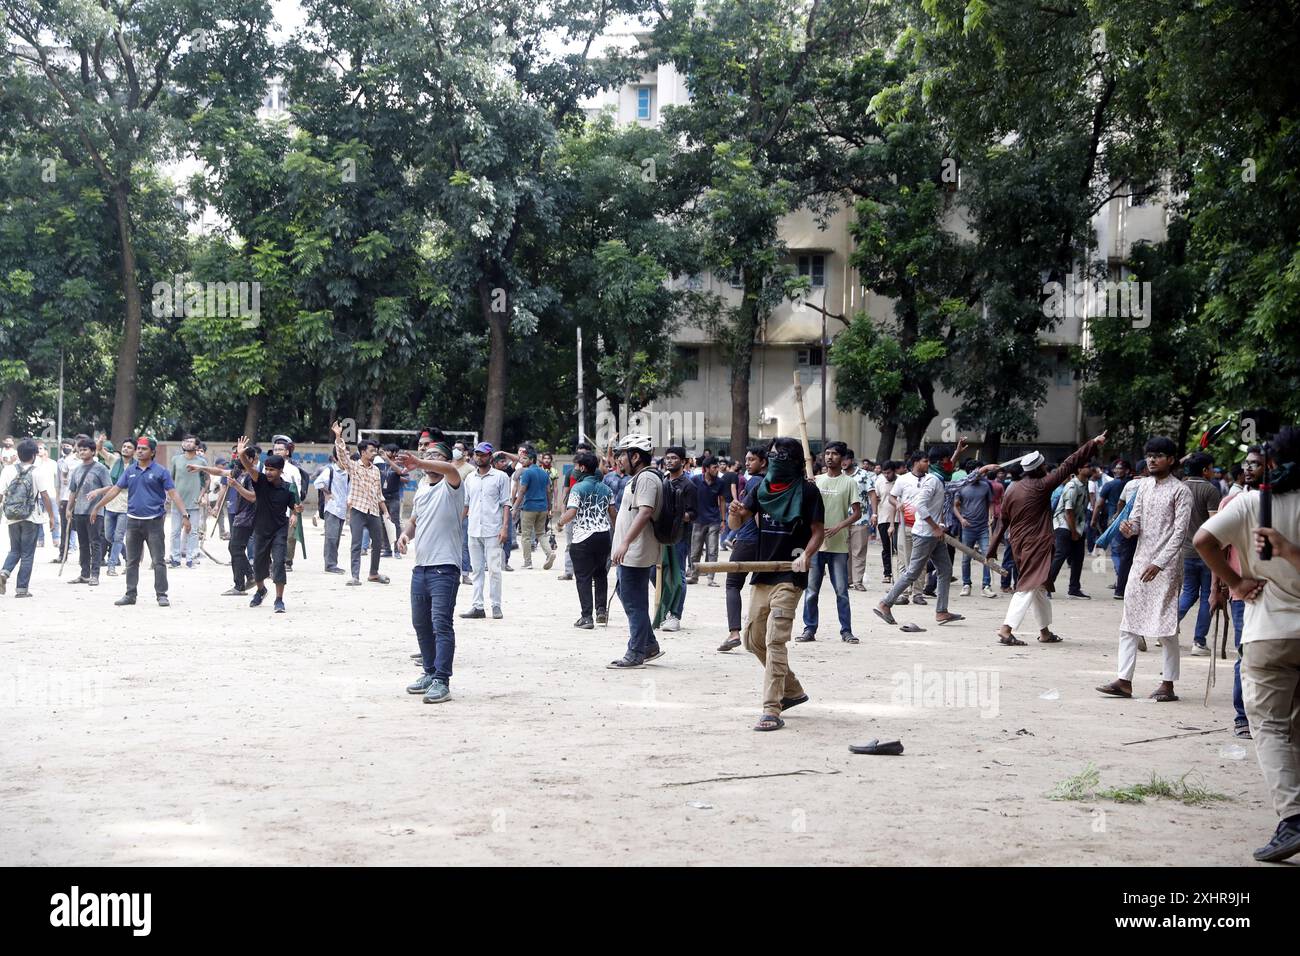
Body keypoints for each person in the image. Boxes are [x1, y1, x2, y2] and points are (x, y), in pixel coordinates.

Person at [1195, 427, 1300, 863]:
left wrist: (1236, 582)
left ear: (1271, 463)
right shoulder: (1251, 503)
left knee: (1273, 728)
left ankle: (1293, 819)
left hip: (1268, 632)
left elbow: (1203, 540)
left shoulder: (1250, 504)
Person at [726, 437, 824, 731]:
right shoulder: (760, 487)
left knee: (774, 640)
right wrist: (734, 513)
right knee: (752, 640)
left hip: (790, 575)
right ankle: (792, 691)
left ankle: (772, 709)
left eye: (780, 456)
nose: (774, 460)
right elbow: (738, 522)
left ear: (792, 461)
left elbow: (818, 532)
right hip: (763, 572)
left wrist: (806, 555)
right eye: (772, 455)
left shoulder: (808, 491)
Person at [986, 433, 1108, 645]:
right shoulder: (1042, 485)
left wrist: (992, 548)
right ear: (1041, 468)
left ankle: (1045, 632)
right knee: (1027, 586)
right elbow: (1071, 463)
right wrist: (1093, 443)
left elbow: (1002, 522)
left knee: (1038, 587)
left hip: (1018, 543)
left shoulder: (1012, 488)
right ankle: (1006, 629)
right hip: (1037, 542)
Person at [1097, 436, 1193, 702]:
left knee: (1166, 627)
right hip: (1140, 563)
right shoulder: (1143, 487)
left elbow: (1180, 534)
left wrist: (1159, 563)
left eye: (1158, 455)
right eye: (1149, 455)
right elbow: (1136, 522)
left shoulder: (1181, 491)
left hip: (1167, 567)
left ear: (1171, 460)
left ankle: (1168, 684)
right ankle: (1124, 681)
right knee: (1129, 623)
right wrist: (1129, 528)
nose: (1152, 460)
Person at [876, 440, 1000, 629]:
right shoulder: (932, 481)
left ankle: (941, 611)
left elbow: (955, 480)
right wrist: (935, 527)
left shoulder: (937, 478)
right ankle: (886, 603)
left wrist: (979, 469)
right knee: (913, 572)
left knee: (945, 570)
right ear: (933, 463)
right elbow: (921, 507)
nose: (926, 464)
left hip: (934, 534)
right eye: (925, 461)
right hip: (925, 534)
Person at [395, 438, 465, 704]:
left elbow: (450, 470)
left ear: (446, 460)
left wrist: (420, 461)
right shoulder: (423, 487)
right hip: (421, 567)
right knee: (421, 624)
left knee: (441, 625)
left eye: (435, 455)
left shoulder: (452, 484)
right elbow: (414, 521)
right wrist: (405, 536)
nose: (428, 458)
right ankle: (429, 672)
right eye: (427, 454)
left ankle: (442, 681)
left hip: (444, 567)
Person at [90, 436, 192, 607]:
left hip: (154, 522)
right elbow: (115, 490)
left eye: (143, 449)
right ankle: (130, 594)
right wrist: (97, 506)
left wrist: (185, 515)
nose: (139, 451)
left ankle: (161, 595)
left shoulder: (161, 471)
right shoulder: (129, 471)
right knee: (132, 561)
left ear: (152, 452)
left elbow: (173, 493)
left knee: (158, 560)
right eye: (138, 448)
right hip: (133, 522)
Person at [1207, 446, 1265, 737]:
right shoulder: (1233, 502)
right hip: (1241, 592)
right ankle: (1242, 716)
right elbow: (1215, 546)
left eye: (1256, 464)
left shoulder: (1282, 503)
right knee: (1246, 653)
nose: (1249, 468)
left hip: (1278, 594)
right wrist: (1216, 588)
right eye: (1247, 463)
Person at [608, 434, 665, 669]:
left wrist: (625, 543)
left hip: (636, 551)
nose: (618, 460)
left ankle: (635, 652)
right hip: (632, 550)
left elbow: (645, 512)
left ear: (635, 456)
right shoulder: (641, 477)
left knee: (634, 602)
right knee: (627, 594)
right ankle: (649, 644)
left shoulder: (647, 479)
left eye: (622, 455)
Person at [227, 437, 300, 612]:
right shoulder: (259, 482)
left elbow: (294, 506)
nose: (267, 472)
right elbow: (249, 467)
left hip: (279, 530)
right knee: (259, 564)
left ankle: (279, 599)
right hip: (260, 529)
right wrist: (241, 453)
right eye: (266, 469)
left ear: (280, 471)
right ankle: (261, 590)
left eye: (272, 470)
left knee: (278, 563)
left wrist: (296, 514)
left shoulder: (288, 488)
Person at [800, 441, 860, 643]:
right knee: (811, 591)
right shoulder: (815, 481)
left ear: (842, 458)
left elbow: (857, 513)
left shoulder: (850, 483)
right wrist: (807, 487)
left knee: (842, 592)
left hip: (839, 546)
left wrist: (839, 526)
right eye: (827, 453)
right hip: (815, 545)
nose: (829, 457)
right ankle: (809, 629)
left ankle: (846, 631)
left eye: (834, 454)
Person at [556, 451, 614, 629]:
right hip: (604, 535)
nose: (574, 470)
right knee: (601, 575)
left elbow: (572, 512)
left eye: (576, 467)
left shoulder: (578, 488)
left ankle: (586, 617)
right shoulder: (606, 489)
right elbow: (613, 514)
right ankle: (601, 611)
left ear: (582, 467)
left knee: (583, 577)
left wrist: (559, 522)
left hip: (583, 537)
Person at [720, 445, 768, 652]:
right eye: (746, 459)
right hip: (763, 544)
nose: (748, 463)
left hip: (748, 540)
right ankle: (758, 635)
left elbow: (749, 517)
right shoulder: (767, 482)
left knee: (732, 584)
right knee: (761, 588)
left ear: (763, 462)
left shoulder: (754, 483)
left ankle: (734, 633)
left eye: (753, 460)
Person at [1177, 451, 1224, 656]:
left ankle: (1166, 628)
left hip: (1184, 551)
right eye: (1211, 468)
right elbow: (1215, 524)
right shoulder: (1210, 490)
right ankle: (1199, 642)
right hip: (1206, 553)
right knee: (1207, 596)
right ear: (1205, 470)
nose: (1213, 472)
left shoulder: (1180, 488)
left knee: (1187, 593)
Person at [332, 421, 390, 586]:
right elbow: (343, 456)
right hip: (358, 509)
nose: (374, 453)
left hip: (373, 511)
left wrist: (385, 511)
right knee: (356, 543)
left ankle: (373, 573)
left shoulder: (376, 470)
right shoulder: (354, 466)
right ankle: (355, 576)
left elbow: (379, 494)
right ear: (363, 452)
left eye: (375, 451)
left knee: (378, 543)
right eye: (372, 451)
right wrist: (338, 436)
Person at [0, 437, 57, 597]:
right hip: (31, 517)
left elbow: (1, 494)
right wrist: (51, 517)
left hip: (11, 516)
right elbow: (45, 496)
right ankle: (22, 589)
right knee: (27, 554)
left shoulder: (7, 470)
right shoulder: (38, 471)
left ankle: (4, 572)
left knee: (14, 549)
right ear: (34, 455)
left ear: (17, 454)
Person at [461, 441, 511, 620]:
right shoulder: (469, 478)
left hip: (494, 530)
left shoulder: (501, 477)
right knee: (476, 570)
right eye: (477, 454)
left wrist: (505, 528)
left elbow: (506, 503)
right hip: (473, 529)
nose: (479, 457)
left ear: (490, 456)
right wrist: (458, 524)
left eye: (483, 454)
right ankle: (477, 606)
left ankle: (496, 605)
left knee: (495, 570)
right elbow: (466, 504)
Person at [65, 436, 112, 586]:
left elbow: (110, 487)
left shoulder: (101, 468)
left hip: (95, 512)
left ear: (93, 451)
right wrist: (68, 508)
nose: (82, 452)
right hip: (79, 512)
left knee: (95, 542)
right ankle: (84, 574)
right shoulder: (77, 469)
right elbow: (73, 491)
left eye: (85, 449)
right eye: (80, 450)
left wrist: (97, 491)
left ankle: (95, 575)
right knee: (82, 543)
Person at [1046, 461, 1092, 599]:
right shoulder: (1072, 486)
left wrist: (1078, 530)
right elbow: (1068, 511)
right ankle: (1046, 587)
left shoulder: (1085, 484)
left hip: (1077, 525)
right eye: (1087, 466)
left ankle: (1074, 589)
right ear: (1079, 469)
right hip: (1064, 524)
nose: (1090, 469)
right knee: (1061, 554)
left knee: (1078, 557)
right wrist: (1073, 532)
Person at [954, 460, 996, 598]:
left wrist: (991, 516)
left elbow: (990, 503)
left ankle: (986, 586)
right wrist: (961, 519)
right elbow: (955, 506)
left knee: (987, 556)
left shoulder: (986, 485)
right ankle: (966, 584)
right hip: (968, 527)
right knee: (966, 558)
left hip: (983, 527)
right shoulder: (962, 486)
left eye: (983, 471)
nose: (982, 473)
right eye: (980, 470)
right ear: (971, 472)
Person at [166, 435, 207, 568]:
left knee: (193, 531)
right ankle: (175, 558)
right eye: (186, 441)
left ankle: (191, 558)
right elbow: (170, 479)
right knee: (175, 531)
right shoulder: (175, 460)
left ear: (196, 446)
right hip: (177, 501)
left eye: (191, 442)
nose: (187, 443)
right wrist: (169, 494)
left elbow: (207, 480)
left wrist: (201, 495)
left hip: (194, 501)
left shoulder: (201, 462)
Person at [270, 436, 308, 571]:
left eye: (280, 449)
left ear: (287, 452)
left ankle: (287, 561)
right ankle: (272, 561)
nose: (277, 452)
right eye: (275, 449)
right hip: (271, 509)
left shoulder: (293, 470)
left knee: (290, 537)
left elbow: (296, 493)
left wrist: (294, 513)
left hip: (288, 509)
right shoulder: (267, 468)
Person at [513, 450, 555, 570]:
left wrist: (515, 507)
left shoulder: (527, 473)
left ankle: (528, 562)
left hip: (529, 507)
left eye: (525, 459)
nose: (522, 460)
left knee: (525, 535)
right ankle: (549, 553)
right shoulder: (544, 473)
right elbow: (548, 491)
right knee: (541, 533)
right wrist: (549, 507)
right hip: (542, 508)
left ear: (531, 460)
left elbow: (521, 491)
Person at [687, 455, 724, 587]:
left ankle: (710, 578)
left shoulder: (720, 482)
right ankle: (694, 576)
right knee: (695, 551)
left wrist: (723, 520)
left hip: (714, 520)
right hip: (697, 520)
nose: (717, 469)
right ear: (706, 469)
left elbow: (722, 501)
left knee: (713, 550)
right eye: (714, 467)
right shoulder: (695, 480)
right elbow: (688, 495)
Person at [313, 448, 350, 574]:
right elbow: (317, 483)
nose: (346, 457)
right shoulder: (330, 470)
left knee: (337, 538)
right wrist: (327, 492)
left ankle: (332, 563)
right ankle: (330, 565)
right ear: (335, 458)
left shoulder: (348, 472)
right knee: (331, 538)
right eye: (343, 455)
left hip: (342, 509)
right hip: (332, 508)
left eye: (347, 455)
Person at [101, 438, 134, 577]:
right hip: (110, 505)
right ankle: (129, 559)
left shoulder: (136, 466)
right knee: (110, 536)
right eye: (124, 446)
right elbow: (100, 450)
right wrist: (100, 442)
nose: (126, 449)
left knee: (118, 537)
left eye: (129, 447)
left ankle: (111, 566)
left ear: (134, 451)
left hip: (126, 506)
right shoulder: (114, 460)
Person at [845, 451, 875, 591]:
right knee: (845, 552)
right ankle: (846, 580)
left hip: (861, 519)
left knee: (859, 551)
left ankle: (857, 581)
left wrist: (874, 514)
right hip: (841, 520)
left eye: (846, 459)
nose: (843, 462)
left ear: (851, 460)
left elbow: (872, 494)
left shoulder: (863, 475)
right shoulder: (838, 475)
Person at [874, 461, 898, 585]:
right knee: (886, 548)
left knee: (898, 547)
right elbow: (875, 498)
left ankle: (900, 573)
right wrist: (874, 514)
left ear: (894, 471)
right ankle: (887, 573)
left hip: (898, 519)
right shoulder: (879, 481)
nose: (886, 475)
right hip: (883, 518)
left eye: (888, 473)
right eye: (884, 473)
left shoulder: (900, 481)